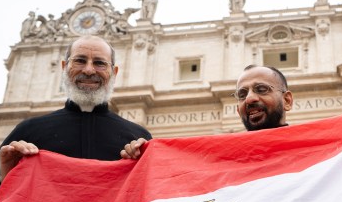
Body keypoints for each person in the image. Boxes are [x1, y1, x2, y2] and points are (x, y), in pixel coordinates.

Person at [0, 35, 152, 202]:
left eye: (100, 63)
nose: (88, 70)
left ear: (114, 72)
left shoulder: (137, 138)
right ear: (64, 67)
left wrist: (142, 171)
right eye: (79, 60)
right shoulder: (29, 131)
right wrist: (5, 177)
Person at [121, 65, 293, 158]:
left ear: (287, 100)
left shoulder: (318, 154)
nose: (249, 99)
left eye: (261, 89)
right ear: (237, 110)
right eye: (242, 95)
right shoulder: (223, 159)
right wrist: (146, 159)